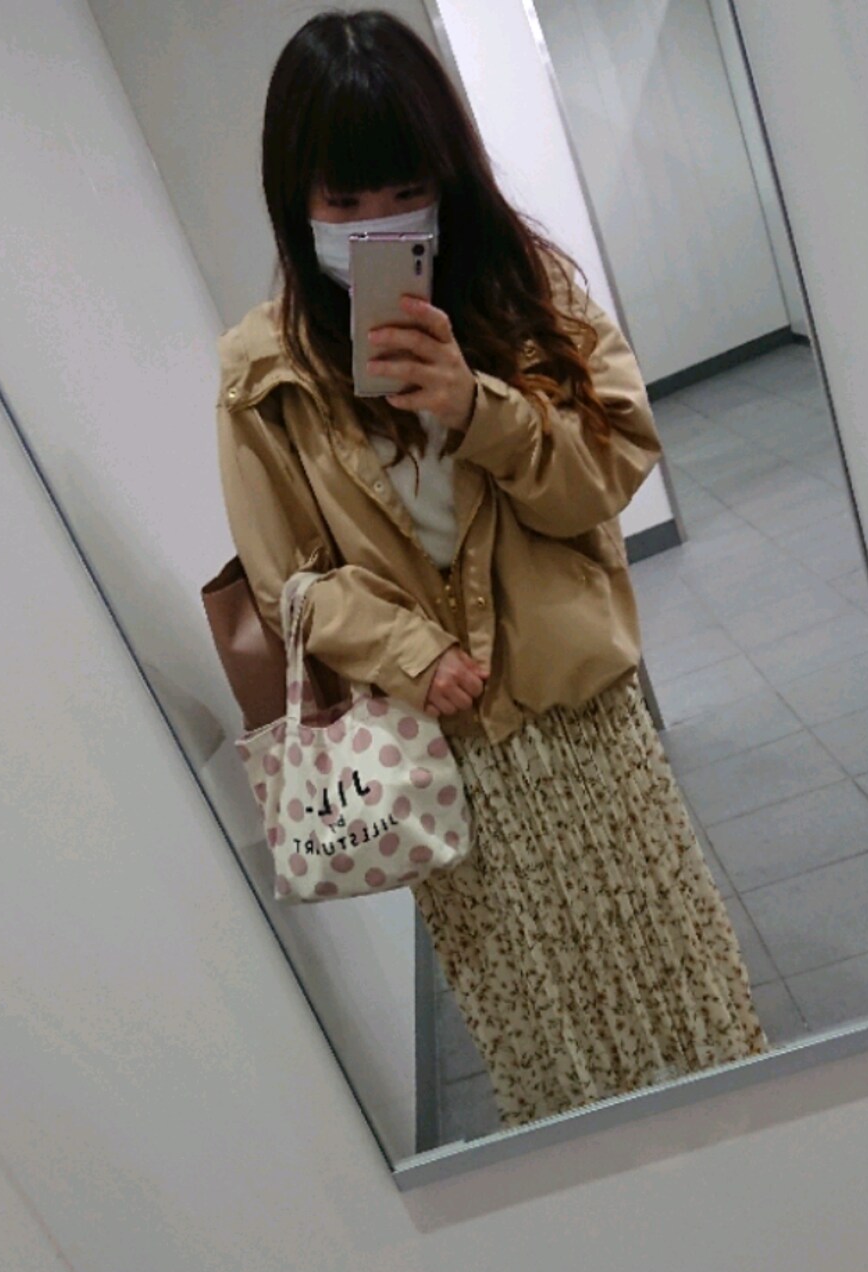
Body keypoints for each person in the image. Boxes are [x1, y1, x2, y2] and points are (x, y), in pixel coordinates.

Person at [215, 8, 770, 1129]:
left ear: (446, 175)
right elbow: (289, 583)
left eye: (403, 190)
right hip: (436, 756)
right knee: (545, 1040)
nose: (377, 225)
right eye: (344, 202)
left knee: (683, 993)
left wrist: (480, 409)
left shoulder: (526, 288)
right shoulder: (262, 370)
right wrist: (407, 651)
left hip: (583, 719)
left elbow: (606, 475)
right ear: (296, 200)